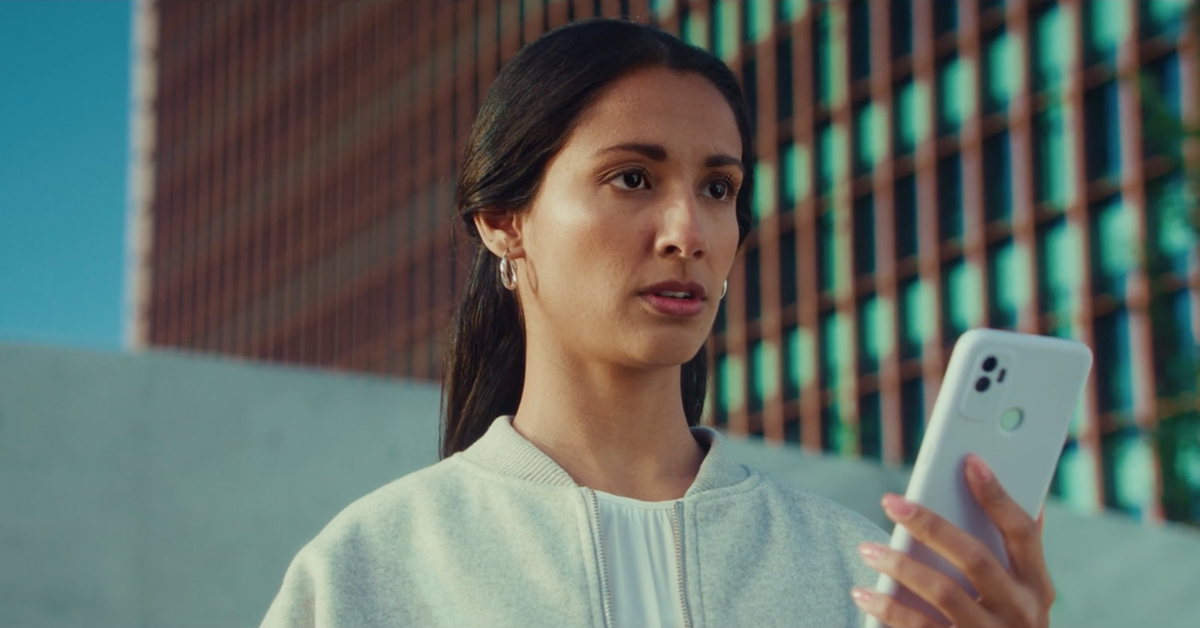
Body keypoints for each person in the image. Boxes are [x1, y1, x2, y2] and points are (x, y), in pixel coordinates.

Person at [261, 18, 1055, 628]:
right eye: (633, 178)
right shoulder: (369, 571)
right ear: (503, 220)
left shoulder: (862, 577)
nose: (689, 231)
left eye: (718, 188)